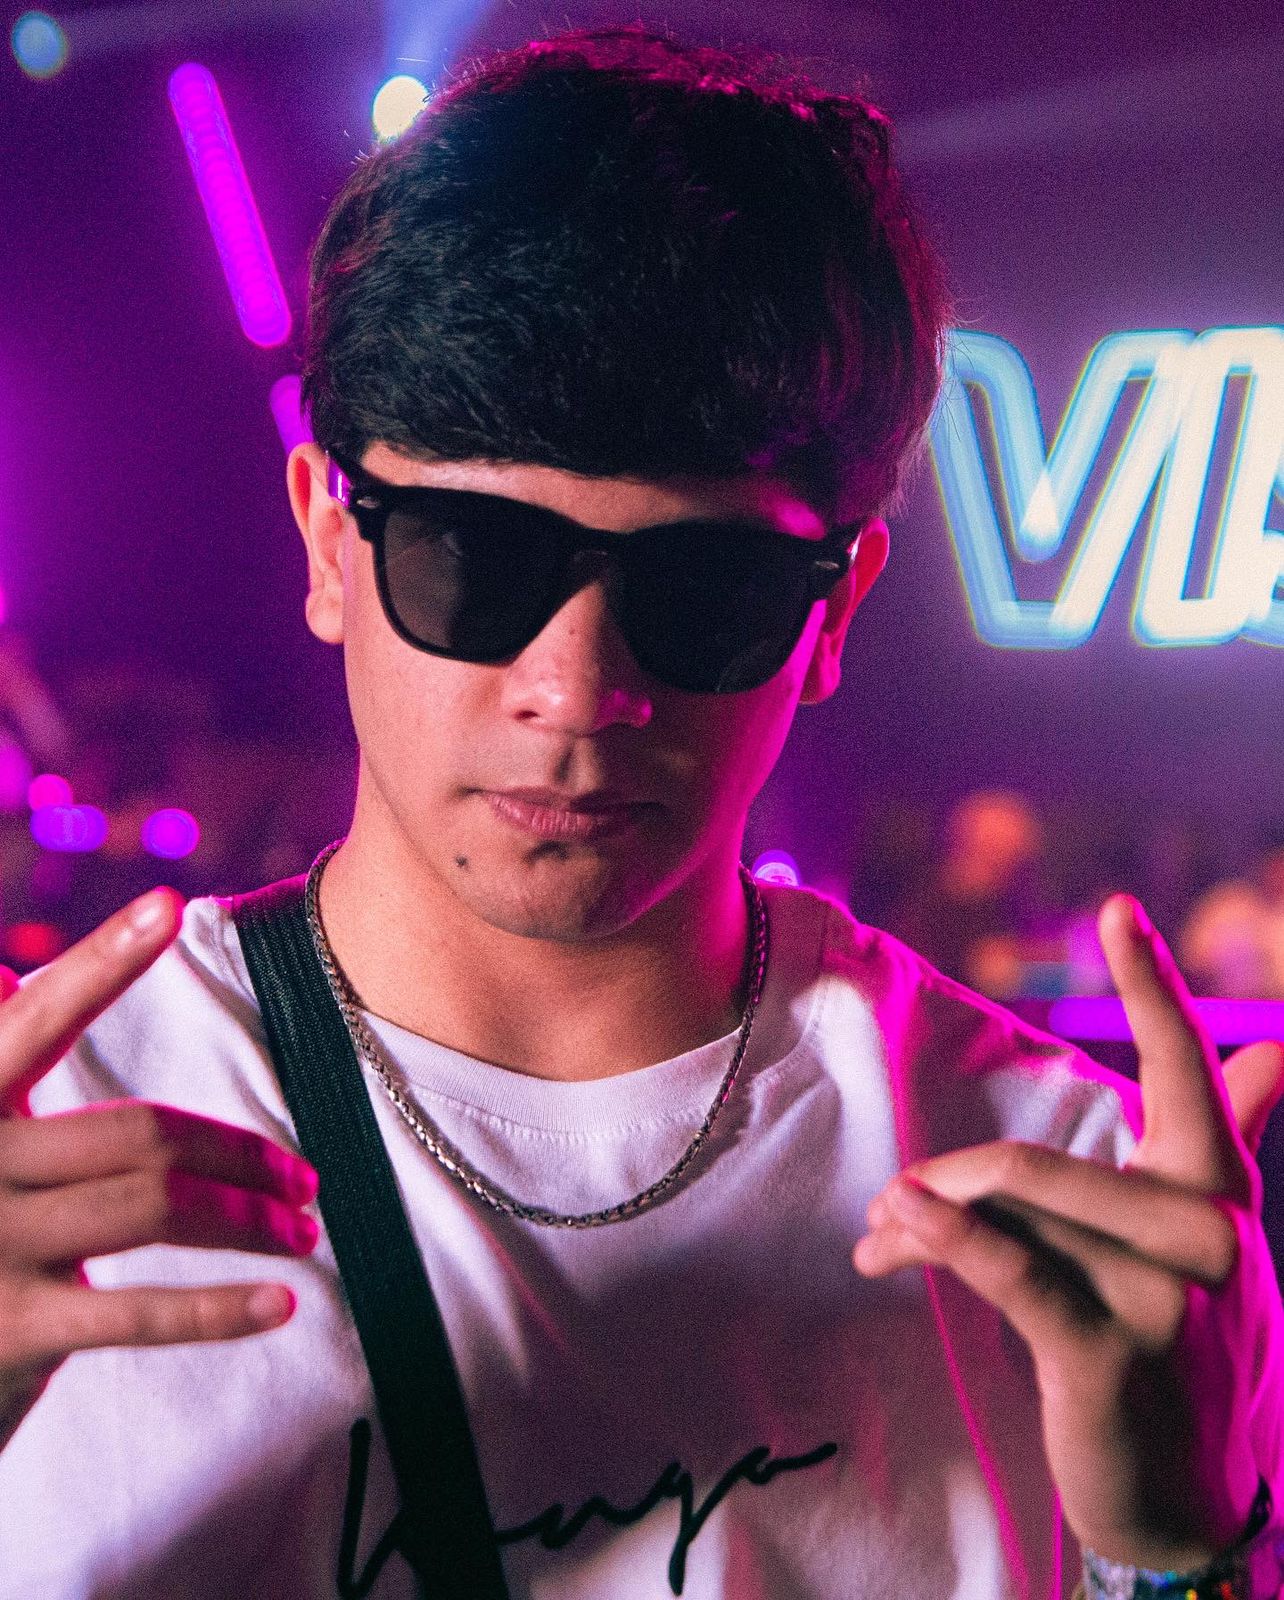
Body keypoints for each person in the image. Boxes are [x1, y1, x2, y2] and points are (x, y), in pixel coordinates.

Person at [1, 26, 1282, 1600]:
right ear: (330, 543)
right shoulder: (52, 1151)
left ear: (834, 610)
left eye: (705, 591)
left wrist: (1183, 1557)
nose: (576, 687)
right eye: (473, 560)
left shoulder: (1053, 1201)